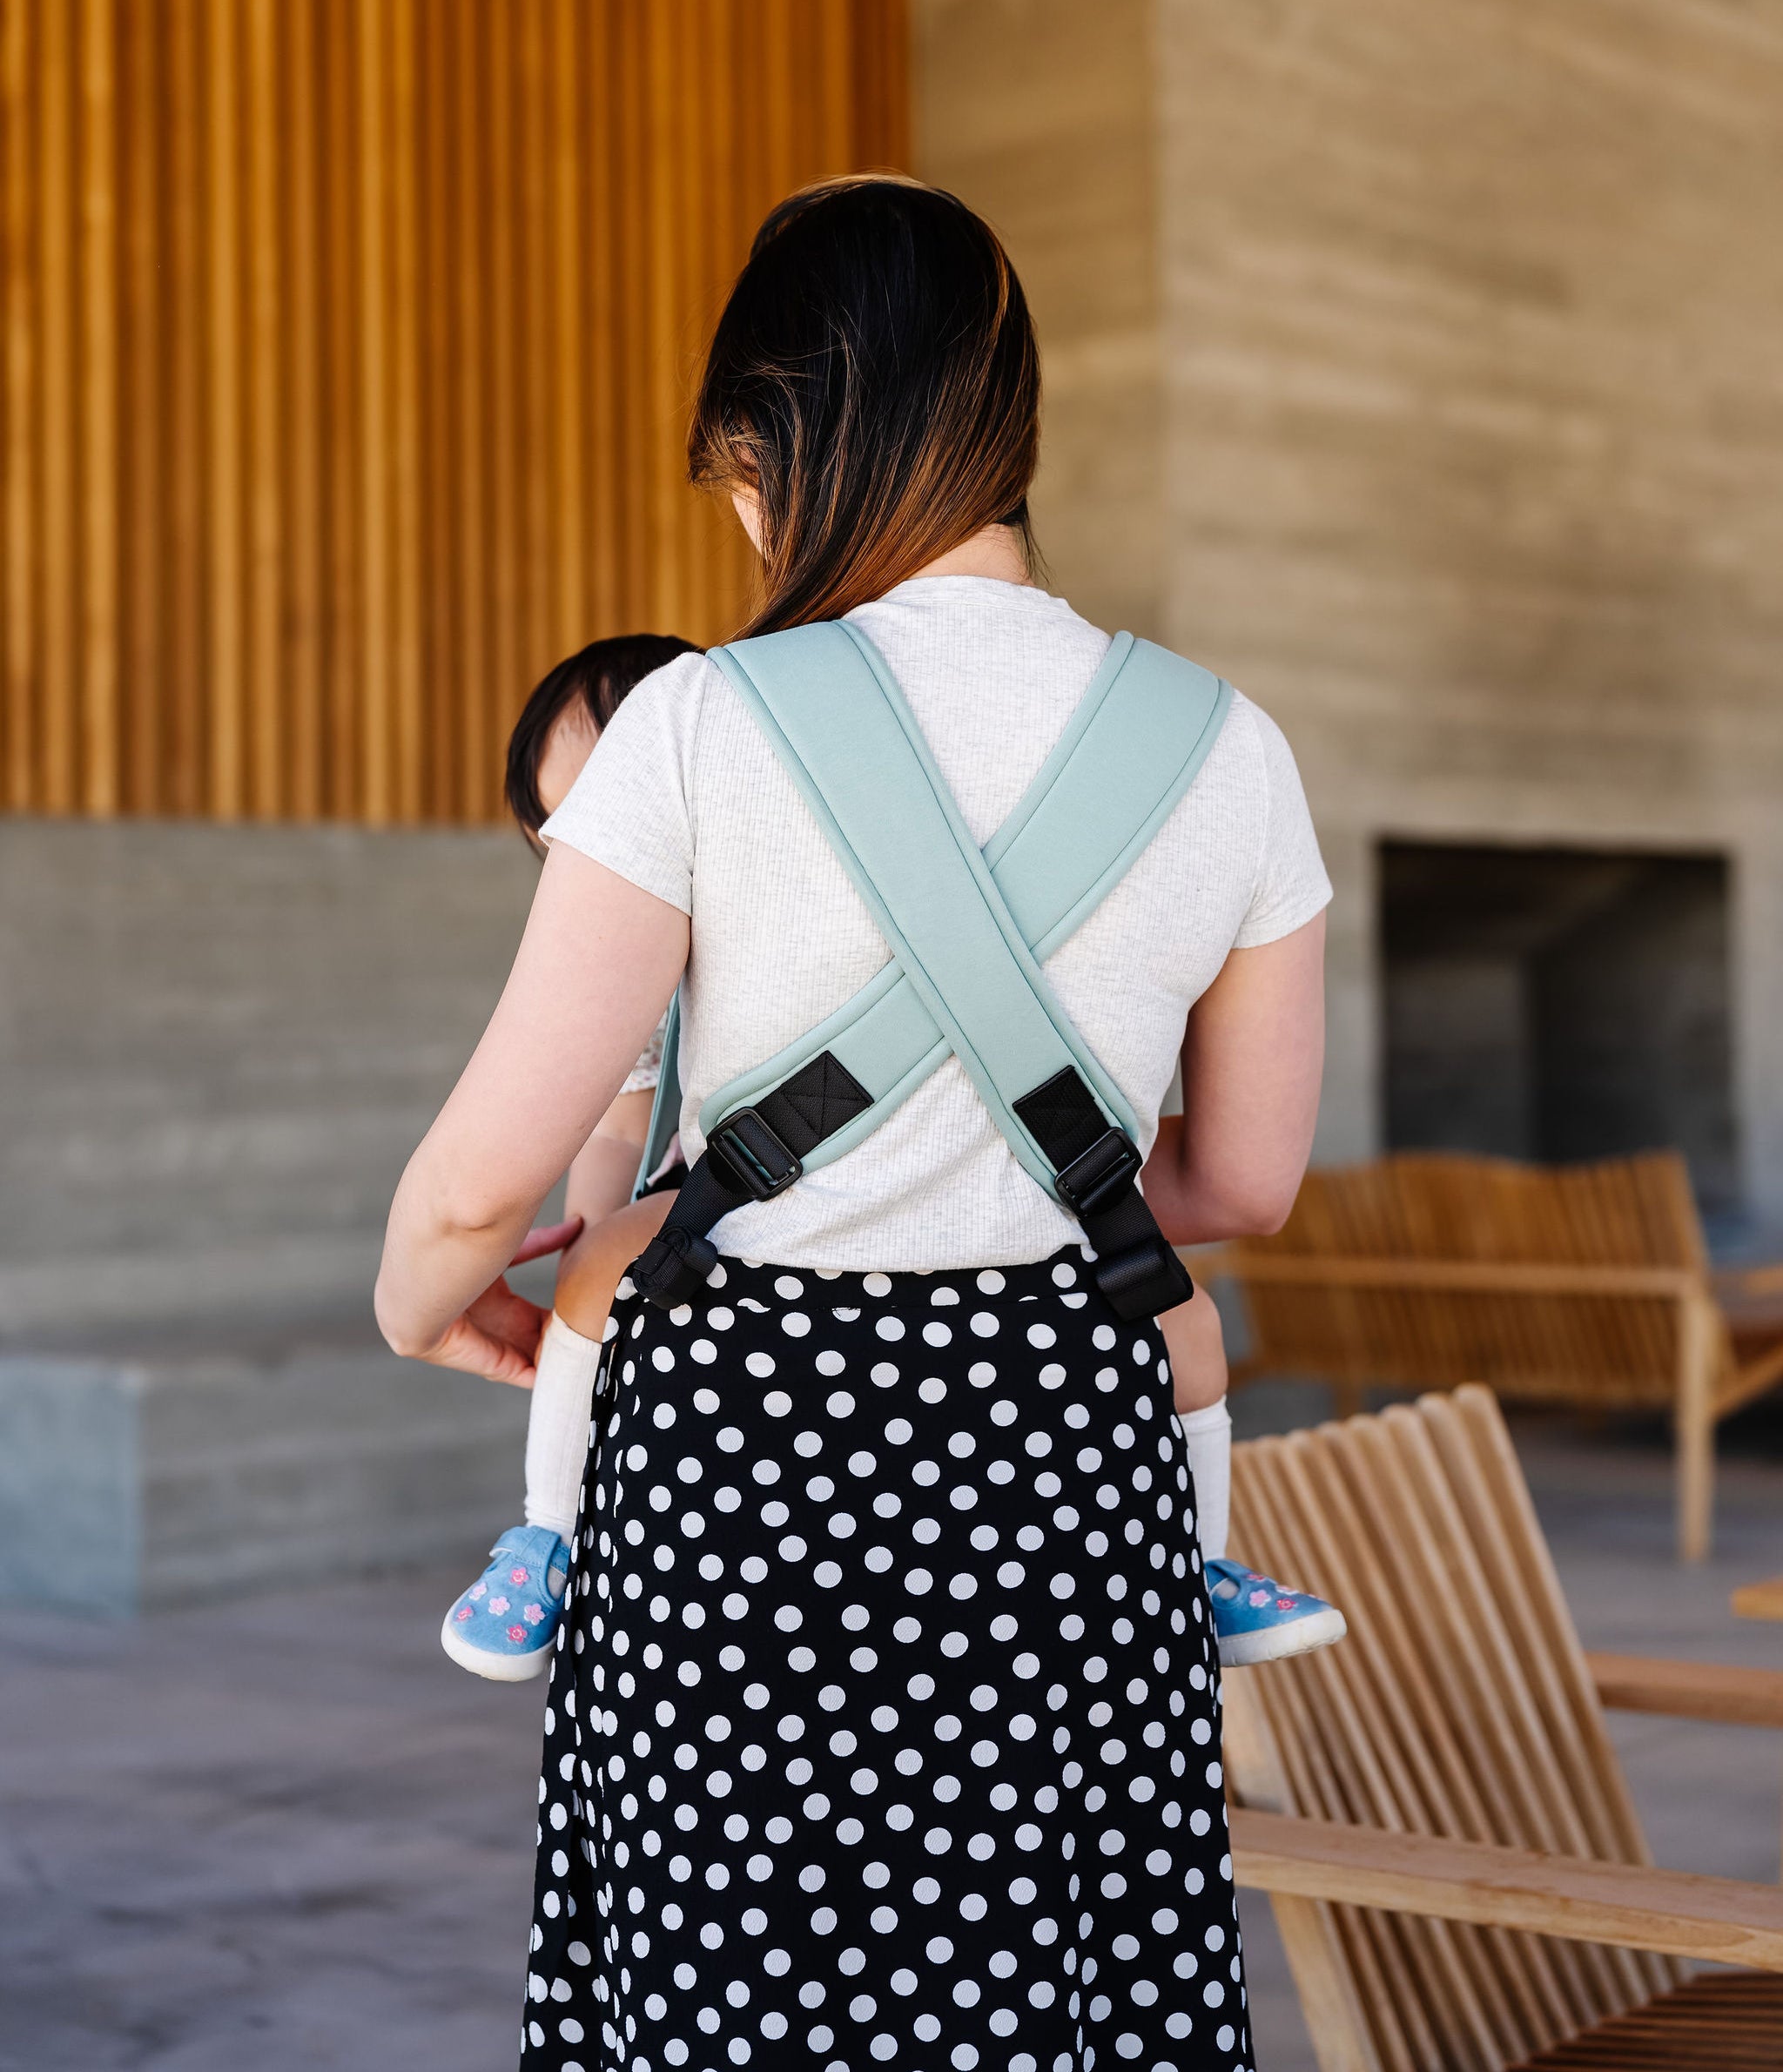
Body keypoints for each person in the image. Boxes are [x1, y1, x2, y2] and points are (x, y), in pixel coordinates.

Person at [378, 177, 1335, 2072]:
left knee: (735, 1985)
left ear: (781, 441)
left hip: (742, 1470)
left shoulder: (700, 723)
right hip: (1072, 1453)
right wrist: (1008, 1170)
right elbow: (1241, 1178)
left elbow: (484, 1176)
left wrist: (425, 1304)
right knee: (1065, 1972)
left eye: (736, 479)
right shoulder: (1226, 745)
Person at [438, 632, 698, 1679]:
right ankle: (548, 1529)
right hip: (689, 1217)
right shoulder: (617, 956)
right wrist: (591, 1241)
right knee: (596, 1275)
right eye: (565, 836)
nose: (597, 858)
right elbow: (619, 1124)